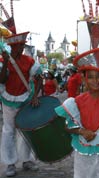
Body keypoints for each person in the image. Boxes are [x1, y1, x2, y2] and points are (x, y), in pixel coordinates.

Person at [54, 47, 99, 178]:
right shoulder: (77, 102)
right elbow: (66, 126)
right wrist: (82, 131)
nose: (95, 81)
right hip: (84, 151)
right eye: (91, 77)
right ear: (84, 79)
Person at [0, 31, 42, 177]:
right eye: (19, 46)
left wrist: (35, 96)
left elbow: (39, 78)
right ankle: (10, 163)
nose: (22, 48)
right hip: (8, 101)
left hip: (25, 100)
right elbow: (2, 80)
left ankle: (27, 160)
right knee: (8, 131)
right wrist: (5, 62)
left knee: (26, 130)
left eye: (23, 45)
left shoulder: (29, 61)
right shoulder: (3, 60)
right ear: (12, 47)